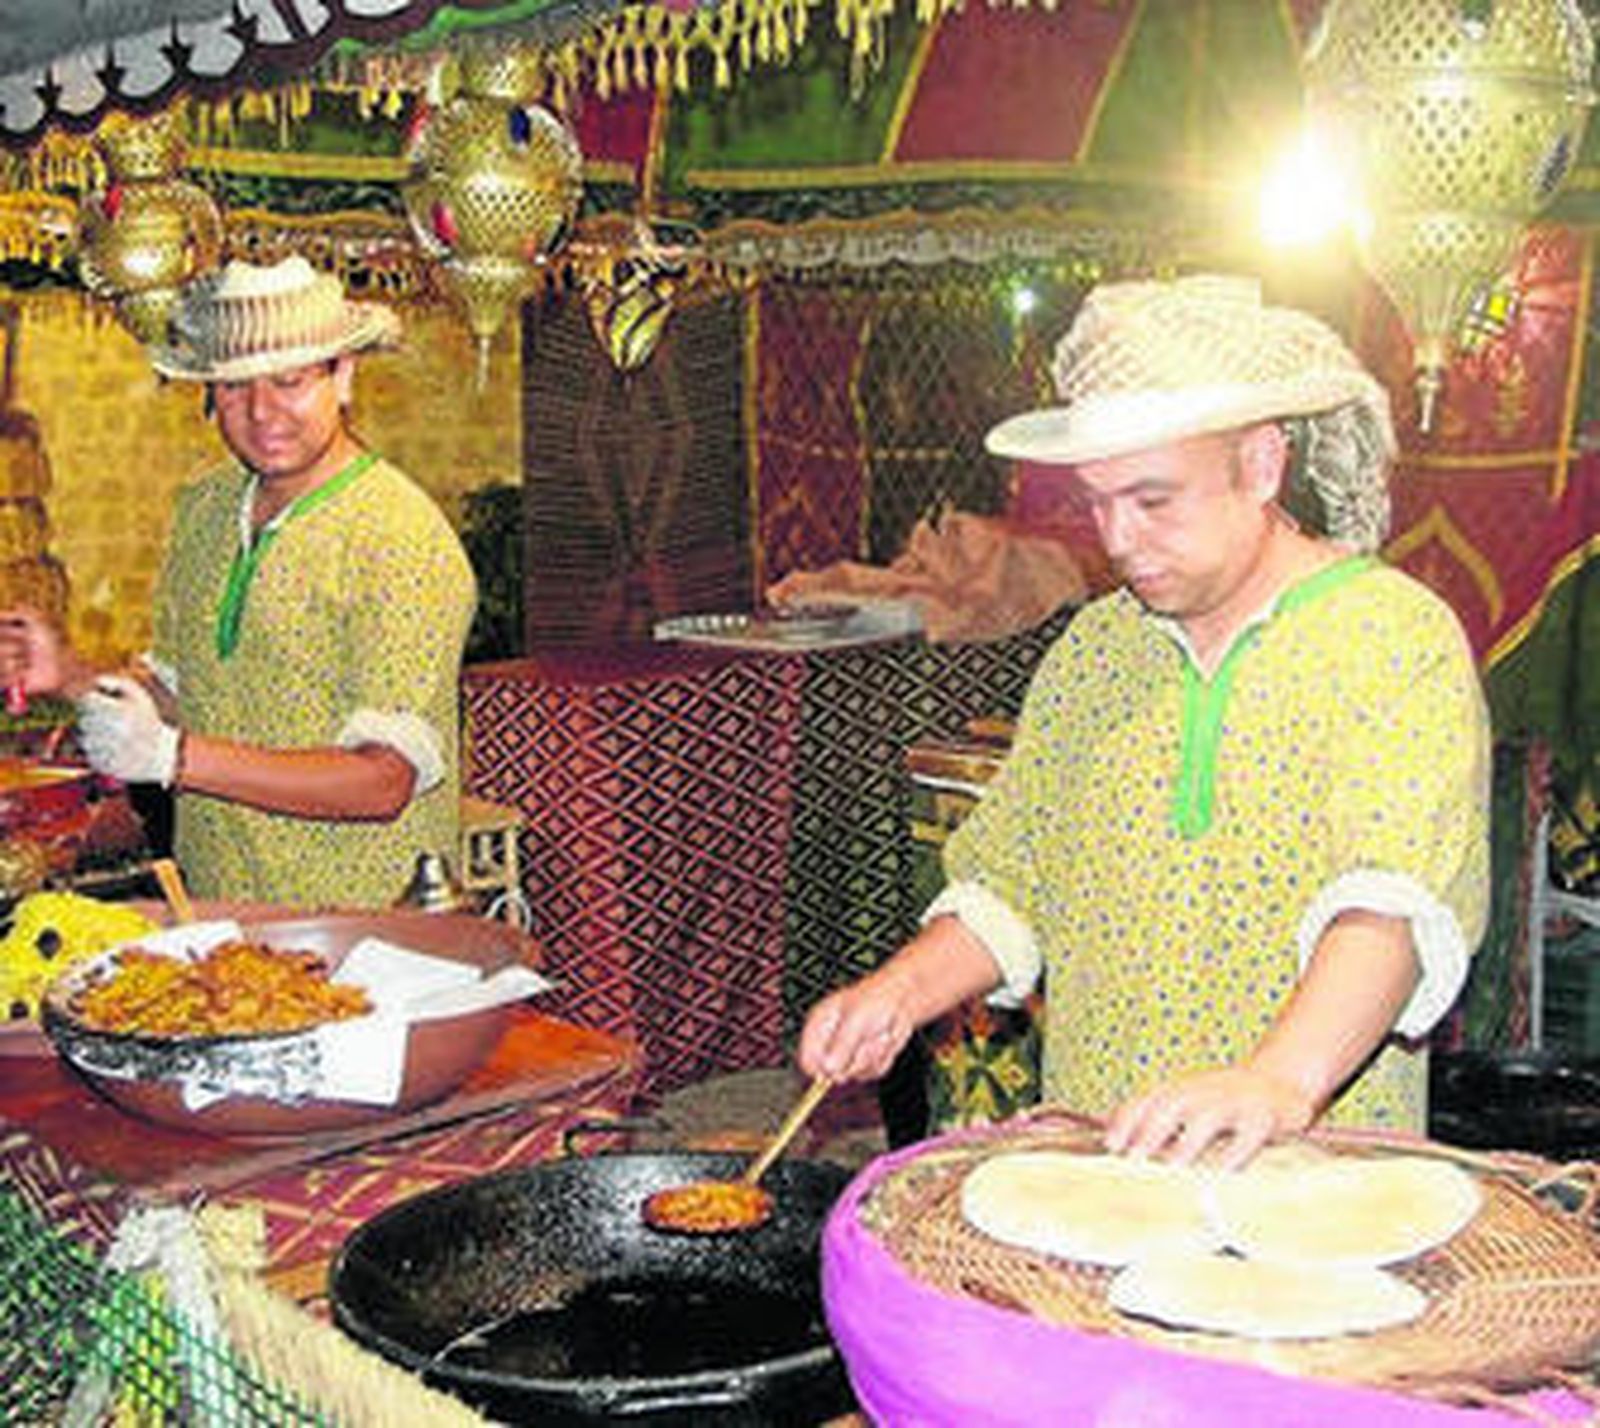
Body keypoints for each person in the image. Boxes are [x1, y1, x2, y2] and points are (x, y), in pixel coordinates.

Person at [798, 274, 1490, 1168]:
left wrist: (1278, 1081)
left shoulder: (1389, 639)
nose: (1119, 539)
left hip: (1310, 1181)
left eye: (1154, 499)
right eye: (1098, 502)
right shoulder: (1096, 649)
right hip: (1104, 1165)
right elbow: (1012, 879)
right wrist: (896, 993)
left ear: (1261, 465)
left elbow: (1389, 903)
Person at [0, 256, 477, 908]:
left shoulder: (399, 540)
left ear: (342, 376)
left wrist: (173, 758)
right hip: (221, 913)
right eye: (233, 387)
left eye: (289, 381)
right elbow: (183, 693)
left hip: (362, 923)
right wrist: (70, 673)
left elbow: (383, 781)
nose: (262, 412)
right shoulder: (207, 509)